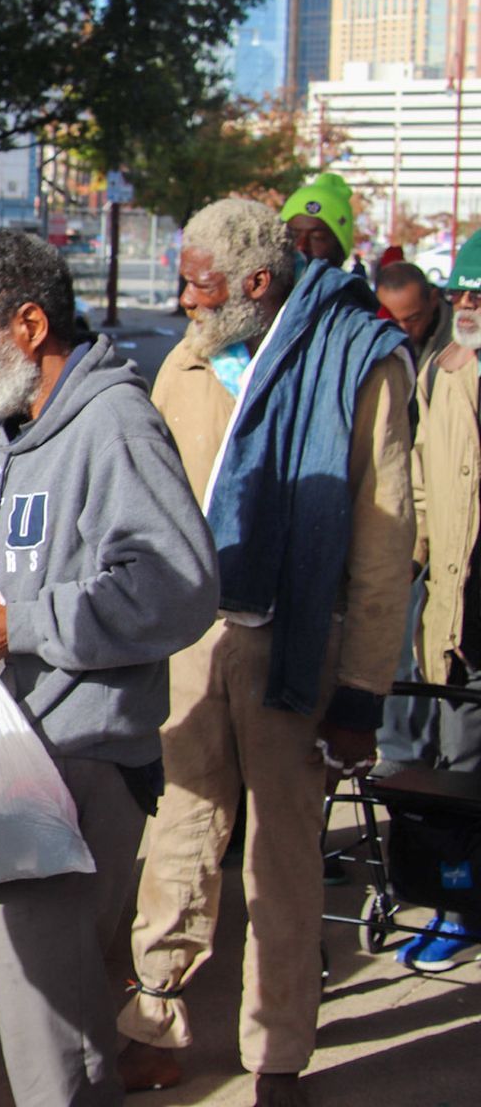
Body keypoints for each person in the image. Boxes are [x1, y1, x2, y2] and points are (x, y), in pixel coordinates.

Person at [0, 231, 218, 1107]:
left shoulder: (114, 424)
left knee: (49, 1047)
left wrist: (19, 625)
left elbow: (175, 590)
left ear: (27, 324)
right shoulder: (7, 434)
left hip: (71, 773)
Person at [118, 199, 413, 1107]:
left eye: (200, 288)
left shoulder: (363, 360)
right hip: (192, 640)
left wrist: (362, 690)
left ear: (255, 285)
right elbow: (149, 498)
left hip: (298, 645)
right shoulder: (189, 358)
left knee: (281, 860)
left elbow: (383, 539)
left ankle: (279, 1055)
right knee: (177, 837)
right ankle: (154, 1020)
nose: (184, 302)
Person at [388, 230, 481, 971]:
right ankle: (459, 907)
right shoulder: (444, 375)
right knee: (457, 768)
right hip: (458, 614)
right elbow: (421, 483)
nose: (470, 307)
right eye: (466, 295)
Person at [374, 259, 451, 363]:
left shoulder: (460, 340)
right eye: (392, 320)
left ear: (433, 300)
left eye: (413, 319)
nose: (403, 328)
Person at [279, 173, 355, 270]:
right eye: (292, 235)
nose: (301, 246)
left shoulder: (349, 285)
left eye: (317, 237)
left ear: (340, 247)